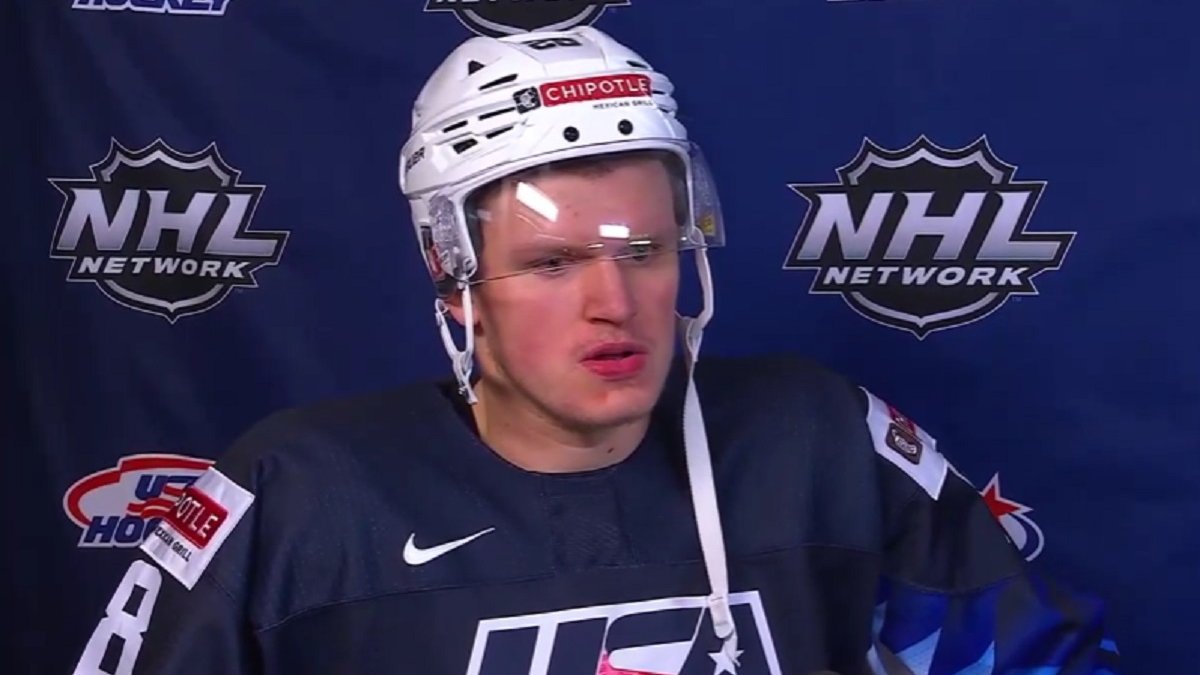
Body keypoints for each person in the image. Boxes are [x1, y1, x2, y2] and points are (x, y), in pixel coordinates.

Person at [70, 26, 1120, 675]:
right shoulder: (297, 498)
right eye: (553, 262)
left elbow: (1035, 661)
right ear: (452, 272)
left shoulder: (820, 443)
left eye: (645, 251)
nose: (614, 304)